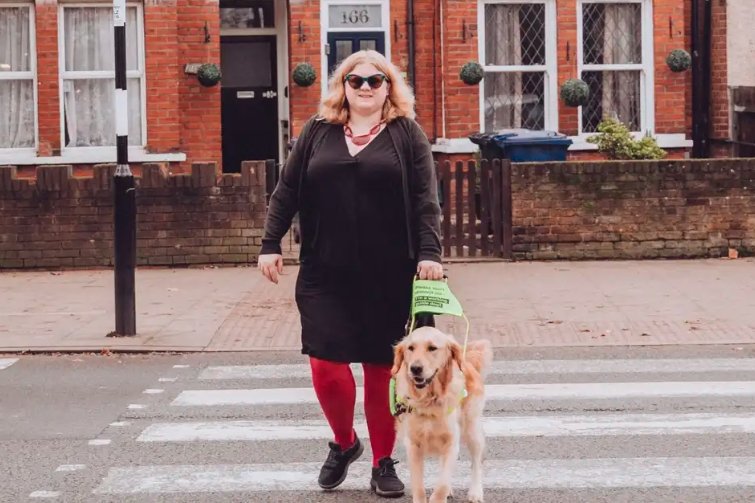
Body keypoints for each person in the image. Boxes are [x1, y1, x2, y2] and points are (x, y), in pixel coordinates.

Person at [257, 49, 443, 498]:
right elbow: (287, 190)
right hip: (325, 270)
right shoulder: (317, 132)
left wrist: (430, 253)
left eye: (374, 81)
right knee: (326, 365)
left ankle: (383, 461)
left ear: (388, 88)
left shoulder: (406, 135)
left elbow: (425, 199)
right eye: (354, 80)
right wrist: (270, 243)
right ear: (342, 87)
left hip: (389, 272)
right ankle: (344, 443)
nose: (364, 88)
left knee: (381, 370)